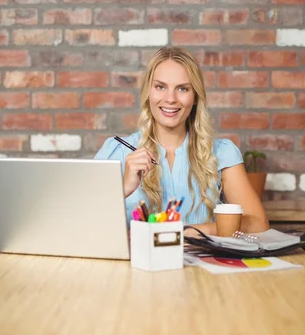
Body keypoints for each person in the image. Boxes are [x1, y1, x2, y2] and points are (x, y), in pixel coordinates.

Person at [95, 47, 269, 235]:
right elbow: (82, 223)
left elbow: (258, 224)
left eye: (183, 89)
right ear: (148, 92)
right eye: (160, 87)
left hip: (202, 264)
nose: (170, 99)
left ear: (195, 96)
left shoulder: (222, 153)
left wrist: (184, 232)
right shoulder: (116, 151)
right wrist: (124, 188)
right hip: (135, 264)